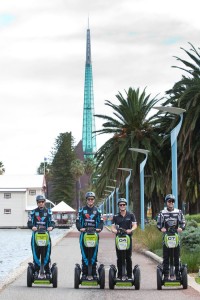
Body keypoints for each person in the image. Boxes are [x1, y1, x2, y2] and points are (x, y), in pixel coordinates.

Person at [157, 194, 186, 280]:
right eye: (169, 201)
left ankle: (177, 275)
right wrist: (161, 228)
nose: (171, 203)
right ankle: (166, 275)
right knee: (166, 256)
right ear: (166, 202)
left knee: (176, 256)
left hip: (175, 236)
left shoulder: (178, 212)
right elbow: (159, 224)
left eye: (172, 201)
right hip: (166, 236)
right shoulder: (162, 213)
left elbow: (183, 222)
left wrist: (181, 228)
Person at [76, 191, 104, 280]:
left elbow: (101, 222)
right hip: (84, 235)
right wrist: (81, 228)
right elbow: (77, 222)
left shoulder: (98, 211)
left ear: (94, 200)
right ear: (86, 200)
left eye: (92, 199)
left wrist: (99, 228)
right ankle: (84, 273)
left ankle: (94, 273)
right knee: (84, 254)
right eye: (89, 199)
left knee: (94, 254)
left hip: (94, 235)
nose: (90, 201)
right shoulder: (81, 210)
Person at [27, 194, 55, 279]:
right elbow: (29, 223)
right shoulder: (33, 212)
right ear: (37, 203)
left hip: (46, 236)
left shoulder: (49, 212)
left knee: (46, 253)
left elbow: (53, 222)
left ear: (44, 202)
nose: (41, 203)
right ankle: (36, 270)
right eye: (39, 202)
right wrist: (32, 227)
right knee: (36, 253)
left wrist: (51, 227)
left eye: (42, 202)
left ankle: (47, 270)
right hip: (36, 236)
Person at [111, 198, 137, 280]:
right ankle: (119, 275)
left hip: (128, 238)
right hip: (119, 238)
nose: (122, 206)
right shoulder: (115, 216)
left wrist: (131, 230)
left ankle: (129, 275)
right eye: (120, 205)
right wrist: (115, 231)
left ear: (126, 205)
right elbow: (113, 227)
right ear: (118, 206)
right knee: (119, 257)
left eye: (124, 204)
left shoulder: (131, 215)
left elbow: (135, 225)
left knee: (128, 257)